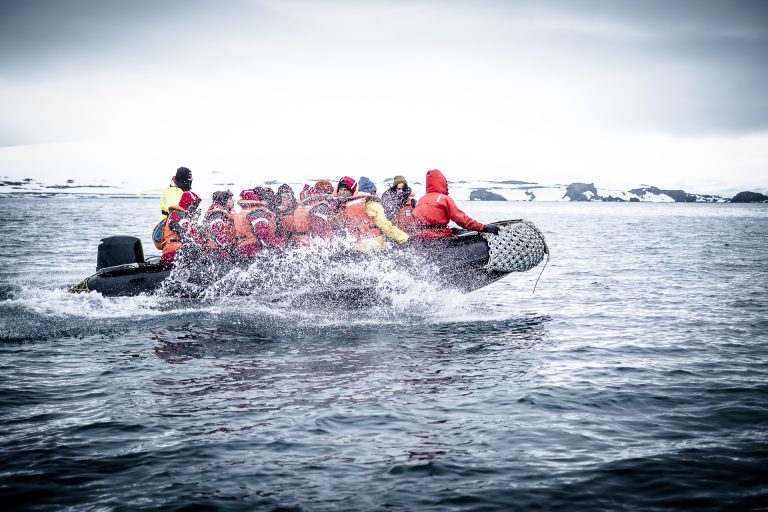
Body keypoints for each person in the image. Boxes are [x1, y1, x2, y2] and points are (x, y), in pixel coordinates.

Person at [412, 169, 499, 238]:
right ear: (442, 183)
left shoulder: (421, 200)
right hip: (439, 237)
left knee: (453, 230)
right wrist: (483, 227)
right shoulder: (444, 199)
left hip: (421, 237)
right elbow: (461, 219)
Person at [334, 176, 409, 250]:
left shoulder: (346, 206)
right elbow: (386, 227)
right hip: (373, 244)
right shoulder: (373, 205)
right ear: (373, 192)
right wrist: (404, 239)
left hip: (355, 244)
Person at [232, 189, 282, 257]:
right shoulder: (256, 212)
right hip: (253, 247)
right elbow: (262, 233)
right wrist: (277, 245)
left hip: (241, 246)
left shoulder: (240, 213)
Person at [160, 190, 206, 264]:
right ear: (187, 204)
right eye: (193, 205)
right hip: (173, 253)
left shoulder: (177, 215)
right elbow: (191, 235)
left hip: (172, 252)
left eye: (195, 206)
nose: (194, 208)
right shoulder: (179, 216)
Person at [203, 190, 236, 257]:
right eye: (230, 199)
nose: (233, 201)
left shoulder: (222, 212)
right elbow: (217, 232)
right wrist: (229, 246)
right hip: (216, 251)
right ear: (224, 200)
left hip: (219, 250)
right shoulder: (216, 213)